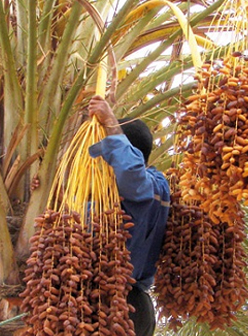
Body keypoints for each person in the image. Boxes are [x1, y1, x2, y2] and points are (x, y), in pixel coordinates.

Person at [87, 95, 169, 336]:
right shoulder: (116, 195)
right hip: (119, 304)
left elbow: (132, 173)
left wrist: (110, 123)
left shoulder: (150, 185)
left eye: (108, 153)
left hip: (120, 306)